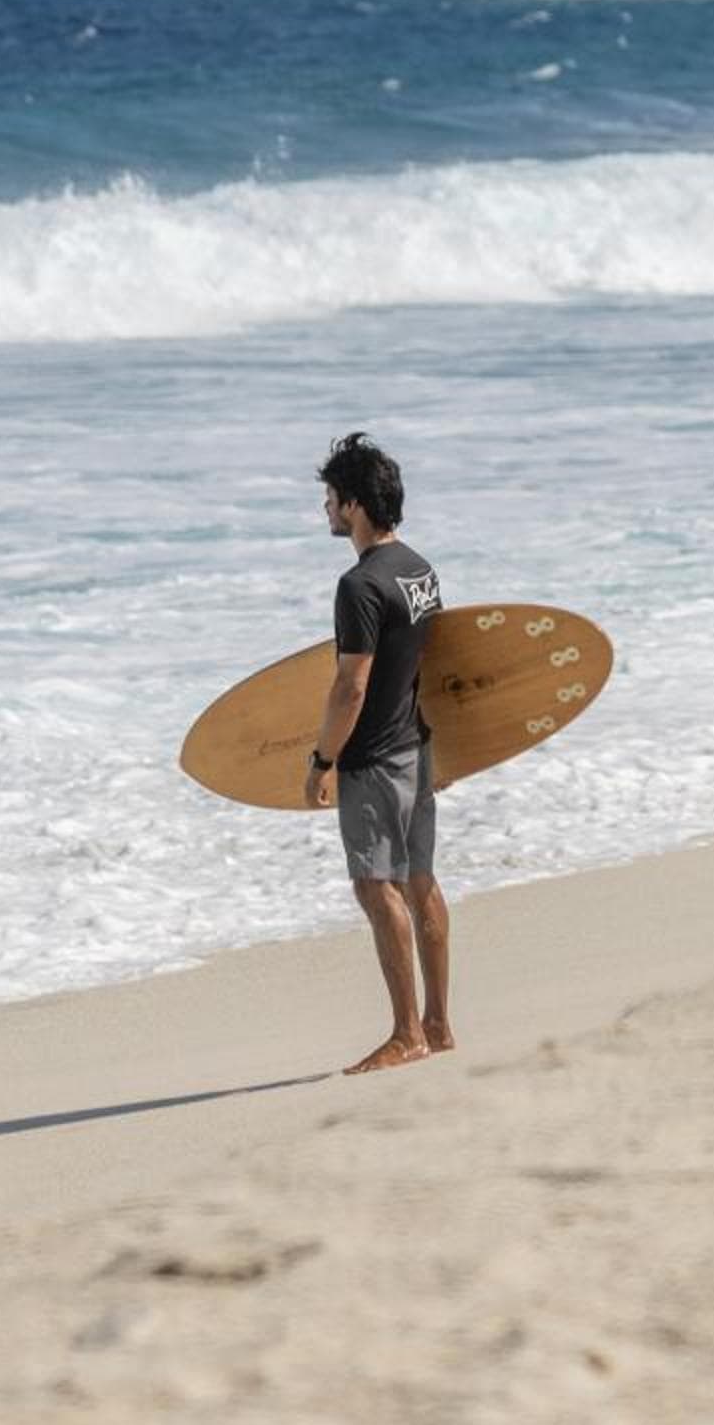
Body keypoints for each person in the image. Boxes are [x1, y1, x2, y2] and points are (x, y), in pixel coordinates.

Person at [302, 431, 451, 1075]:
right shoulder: (420, 569)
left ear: (356, 505)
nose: (327, 511)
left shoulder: (358, 585)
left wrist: (322, 761)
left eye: (332, 498)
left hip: (373, 761)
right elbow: (427, 667)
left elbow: (351, 683)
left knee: (375, 886)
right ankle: (438, 1024)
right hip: (416, 751)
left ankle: (405, 1033)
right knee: (420, 882)